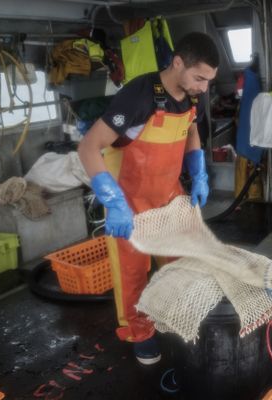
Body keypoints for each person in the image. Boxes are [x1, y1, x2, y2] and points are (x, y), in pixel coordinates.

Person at [78, 32, 219, 365]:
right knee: (133, 273)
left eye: (209, 80)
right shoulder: (137, 96)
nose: (204, 87)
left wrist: (198, 172)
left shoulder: (191, 95)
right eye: (200, 78)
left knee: (182, 261)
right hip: (129, 201)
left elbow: (192, 129)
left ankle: (174, 317)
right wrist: (113, 202)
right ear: (178, 62)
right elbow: (88, 147)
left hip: (169, 194)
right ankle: (140, 333)